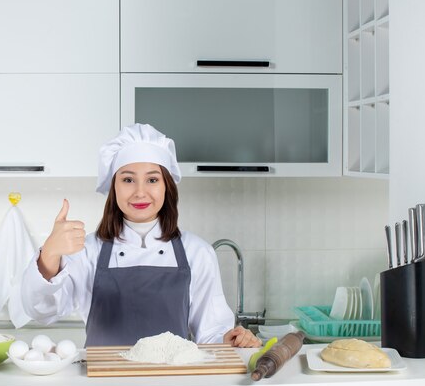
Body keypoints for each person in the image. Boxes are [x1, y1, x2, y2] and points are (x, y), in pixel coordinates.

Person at [20, 123, 261, 348]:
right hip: (103, 383)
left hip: (171, 382)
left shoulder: (197, 252)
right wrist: (50, 253)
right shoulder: (88, 250)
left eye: (152, 179)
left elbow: (210, 333)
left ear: (167, 186)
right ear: (113, 186)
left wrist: (230, 339)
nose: (140, 192)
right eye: (128, 179)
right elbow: (41, 312)